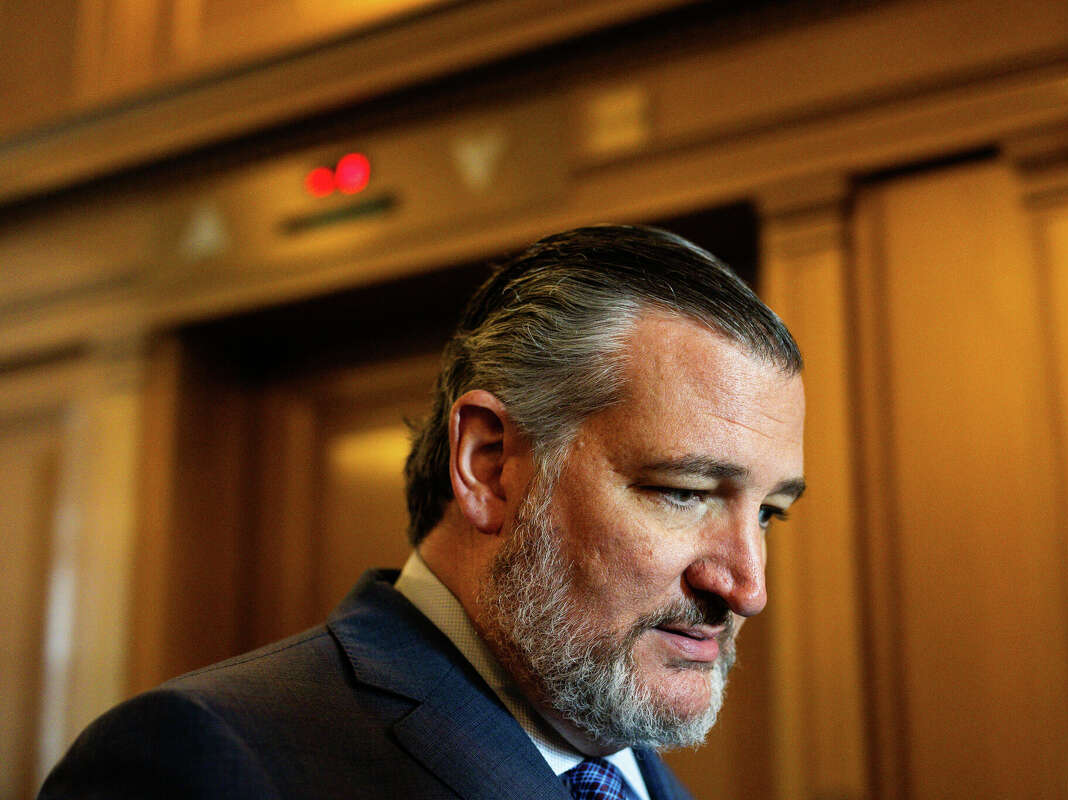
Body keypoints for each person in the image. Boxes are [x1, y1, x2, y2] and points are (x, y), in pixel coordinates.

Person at [40, 225, 806, 800]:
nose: (745, 587)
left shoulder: (645, 785)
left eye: (768, 512)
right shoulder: (202, 761)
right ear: (488, 466)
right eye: (685, 492)